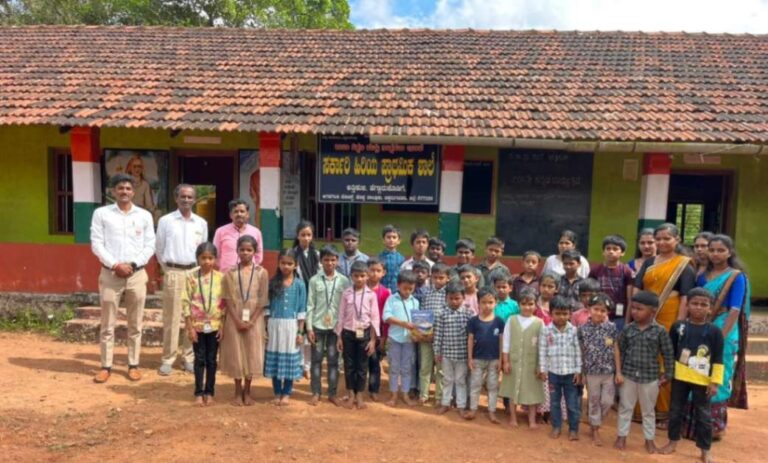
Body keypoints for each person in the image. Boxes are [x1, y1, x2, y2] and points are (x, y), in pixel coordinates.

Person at [90, 174, 155, 384]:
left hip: (136, 274)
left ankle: (133, 364)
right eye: (120, 188)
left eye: (128, 188)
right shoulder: (102, 214)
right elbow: (96, 244)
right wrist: (116, 265)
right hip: (110, 274)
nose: (124, 191)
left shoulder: (144, 216)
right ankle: (105, 366)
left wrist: (133, 265)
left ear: (134, 192)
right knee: (108, 323)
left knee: (135, 323)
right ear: (113, 191)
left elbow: (149, 245)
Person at [633, 223, 696, 424]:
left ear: (677, 240)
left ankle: (662, 411)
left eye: (666, 238)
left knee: (664, 360)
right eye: (658, 239)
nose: (662, 242)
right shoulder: (649, 262)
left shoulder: (684, 265)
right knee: (642, 358)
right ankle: (639, 409)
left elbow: (686, 297)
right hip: (644, 314)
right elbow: (637, 288)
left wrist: (679, 324)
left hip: (669, 317)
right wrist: (635, 312)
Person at [689, 234, 750, 439]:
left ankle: (714, 427)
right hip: (701, 326)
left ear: (729, 252)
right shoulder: (702, 275)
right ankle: (692, 424)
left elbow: (734, 310)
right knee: (697, 370)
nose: (715, 254)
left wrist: (720, 337)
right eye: (712, 250)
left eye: (720, 250)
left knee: (718, 373)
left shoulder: (735, 276)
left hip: (725, 327)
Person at [659, 288, 724, 463]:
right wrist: (667, 373)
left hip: (702, 380)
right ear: (687, 306)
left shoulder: (714, 331)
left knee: (703, 415)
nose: (699, 308)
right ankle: (672, 442)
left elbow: (718, 358)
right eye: (695, 303)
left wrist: (715, 382)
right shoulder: (678, 327)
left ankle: (705, 450)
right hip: (680, 377)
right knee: (675, 411)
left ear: (710, 309)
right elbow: (670, 352)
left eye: (704, 305)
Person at [155, 184, 208, 376]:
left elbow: (203, 251)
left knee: (193, 317)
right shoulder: (166, 221)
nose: (186, 200)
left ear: (195, 199)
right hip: (174, 271)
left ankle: (188, 357)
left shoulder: (201, 223)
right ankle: (168, 359)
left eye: (190, 197)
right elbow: (159, 248)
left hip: (194, 271)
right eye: (183, 197)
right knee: (173, 317)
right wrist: (168, 269)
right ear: (176, 198)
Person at [615, 291, 674, 453]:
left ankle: (649, 440)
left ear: (653, 311)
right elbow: (620, 349)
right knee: (625, 407)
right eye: (632, 308)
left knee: (648, 411)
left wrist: (667, 375)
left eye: (639, 309)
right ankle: (621, 436)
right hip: (628, 375)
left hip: (650, 378)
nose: (634, 312)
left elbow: (668, 353)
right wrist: (618, 372)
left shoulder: (660, 331)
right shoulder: (628, 329)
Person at [220, 235, 269, 406]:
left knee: (251, 353)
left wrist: (252, 321)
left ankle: (248, 392)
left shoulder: (262, 273)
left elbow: (263, 300)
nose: (245, 253)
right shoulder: (230, 274)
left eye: (249, 250)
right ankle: (237, 391)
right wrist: (237, 320)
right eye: (242, 249)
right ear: (237, 251)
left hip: (255, 318)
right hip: (234, 317)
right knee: (236, 353)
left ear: (255, 252)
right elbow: (227, 300)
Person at [306, 245, 350, 407]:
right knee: (316, 360)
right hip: (317, 325)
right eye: (326, 260)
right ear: (321, 261)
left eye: (333, 260)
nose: (330, 263)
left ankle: (332, 393)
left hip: (335, 327)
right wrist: (309, 328)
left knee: (333, 361)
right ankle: (316, 392)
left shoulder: (344, 281)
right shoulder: (314, 280)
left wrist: (342, 329)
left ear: (337, 261)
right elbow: (310, 305)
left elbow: (346, 306)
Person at [182, 242, 225, 406]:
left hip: (214, 325)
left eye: (210, 258)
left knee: (212, 360)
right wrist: (189, 326)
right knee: (199, 359)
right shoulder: (191, 277)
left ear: (215, 259)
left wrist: (222, 325)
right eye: (203, 258)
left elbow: (223, 304)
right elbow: (185, 301)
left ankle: (210, 392)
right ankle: (198, 392)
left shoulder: (220, 278)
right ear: (198, 259)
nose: (207, 261)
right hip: (197, 325)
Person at [264, 249, 306, 407]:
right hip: (274, 325)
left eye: (290, 263)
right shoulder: (273, 282)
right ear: (278, 263)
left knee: (289, 360)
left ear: (296, 265)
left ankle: (287, 392)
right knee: (275, 359)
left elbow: (302, 310)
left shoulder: (300, 284)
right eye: (283, 263)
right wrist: (266, 328)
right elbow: (267, 308)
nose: (286, 266)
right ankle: (276, 392)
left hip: (291, 326)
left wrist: (300, 332)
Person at [577, 293, 621, 446]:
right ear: (589, 309)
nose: (599, 313)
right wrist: (581, 372)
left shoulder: (612, 328)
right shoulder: (583, 329)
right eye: (596, 309)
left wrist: (618, 372)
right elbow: (581, 351)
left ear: (607, 313)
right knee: (594, 400)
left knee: (608, 401)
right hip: (591, 372)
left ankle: (594, 421)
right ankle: (595, 429)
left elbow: (616, 349)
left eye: (603, 311)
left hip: (608, 371)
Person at [336, 260, 380, 410]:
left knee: (362, 366)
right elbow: (341, 315)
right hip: (348, 333)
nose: (359, 279)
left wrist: (373, 340)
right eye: (356, 276)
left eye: (362, 276)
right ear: (351, 276)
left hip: (365, 334)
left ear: (367, 276)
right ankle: (351, 395)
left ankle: (360, 395)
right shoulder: (346, 293)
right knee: (349, 365)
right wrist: (339, 337)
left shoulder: (371, 295)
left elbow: (375, 318)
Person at [539, 296, 582, 441]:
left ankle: (573, 429)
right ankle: (556, 427)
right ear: (551, 313)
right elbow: (542, 351)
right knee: (554, 402)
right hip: (553, 373)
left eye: (565, 314)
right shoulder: (546, 331)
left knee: (572, 404)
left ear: (570, 314)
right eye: (557, 313)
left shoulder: (574, 331)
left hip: (570, 374)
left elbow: (578, 352)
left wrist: (578, 370)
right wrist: (543, 369)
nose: (561, 317)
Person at [500, 288, 545, 428]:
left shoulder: (539, 322)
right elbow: (506, 342)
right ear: (518, 305)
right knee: (512, 390)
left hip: (531, 364)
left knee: (532, 391)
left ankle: (531, 420)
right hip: (514, 362)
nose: (527, 307)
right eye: (524, 304)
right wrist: (506, 361)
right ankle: (513, 417)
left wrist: (540, 365)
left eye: (531, 304)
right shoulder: (511, 320)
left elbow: (542, 346)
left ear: (535, 305)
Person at [467, 288, 505, 423]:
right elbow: (470, 339)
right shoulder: (473, 321)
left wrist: (501, 359)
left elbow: (501, 341)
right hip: (477, 358)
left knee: (493, 386)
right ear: (478, 303)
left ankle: (492, 411)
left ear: (496, 303)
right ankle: (473, 409)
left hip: (494, 359)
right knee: (475, 384)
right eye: (483, 302)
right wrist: (470, 358)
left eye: (490, 302)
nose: (487, 305)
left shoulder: (499, 322)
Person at [434, 281, 473, 416]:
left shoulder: (469, 313)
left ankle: (461, 405)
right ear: (446, 298)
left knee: (460, 381)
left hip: (462, 355)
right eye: (451, 298)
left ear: (463, 297)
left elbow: (471, 336)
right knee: (447, 379)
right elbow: (438, 333)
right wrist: (437, 351)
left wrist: (470, 355)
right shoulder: (441, 313)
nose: (454, 301)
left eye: (457, 298)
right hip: (446, 354)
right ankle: (445, 403)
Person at [383, 270, 420, 407]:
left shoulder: (415, 302)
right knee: (394, 367)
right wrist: (402, 323)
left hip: (409, 341)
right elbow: (386, 317)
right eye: (405, 288)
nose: (407, 291)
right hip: (395, 339)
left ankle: (404, 393)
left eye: (411, 289)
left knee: (406, 368)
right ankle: (393, 394)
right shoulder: (392, 299)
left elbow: (418, 321)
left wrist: (418, 333)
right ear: (398, 286)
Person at [416, 262, 450, 404]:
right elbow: (422, 313)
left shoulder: (449, 294)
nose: (438, 280)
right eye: (435, 277)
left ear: (448, 278)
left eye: (441, 277)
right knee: (425, 366)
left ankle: (439, 396)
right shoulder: (426, 293)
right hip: (427, 336)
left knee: (441, 369)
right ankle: (423, 394)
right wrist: (423, 333)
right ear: (430, 278)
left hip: (442, 337)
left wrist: (438, 332)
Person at [292, 220, 320, 378]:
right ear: (298, 235)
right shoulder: (292, 254)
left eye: (309, 235)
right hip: (297, 296)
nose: (306, 238)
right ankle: (298, 364)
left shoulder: (317, 255)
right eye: (303, 235)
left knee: (310, 333)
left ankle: (307, 366)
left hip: (313, 298)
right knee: (298, 332)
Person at [589, 234, 634, 332]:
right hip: (598, 315)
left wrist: (627, 322)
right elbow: (590, 296)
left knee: (615, 344)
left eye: (615, 249)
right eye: (608, 248)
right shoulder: (595, 270)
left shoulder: (627, 271)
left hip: (619, 318)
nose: (611, 251)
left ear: (622, 253)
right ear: (603, 252)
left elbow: (630, 299)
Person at [213, 199, 264, 271]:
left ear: (247, 214)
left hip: (248, 275)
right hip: (227, 275)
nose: (239, 214)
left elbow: (259, 254)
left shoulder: (256, 232)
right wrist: (225, 267)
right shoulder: (220, 231)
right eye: (236, 211)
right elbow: (215, 254)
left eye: (242, 211)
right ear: (231, 215)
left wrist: (250, 267)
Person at [366, 257, 391, 401]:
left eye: (378, 271)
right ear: (367, 271)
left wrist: (383, 338)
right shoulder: (360, 289)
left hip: (378, 331)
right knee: (360, 362)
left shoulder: (385, 293)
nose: (374, 273)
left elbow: (386, 319)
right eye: (372, 270)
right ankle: (357, 389)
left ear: (383, 273)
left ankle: (374, 389)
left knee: (375, 362)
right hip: (361, 330)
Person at [379, 224, 405, 294]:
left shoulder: (402, 259)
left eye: (394, 237)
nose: (391, 240)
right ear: (383, 240)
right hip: (381, 291)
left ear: (399, 240)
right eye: (388, 237)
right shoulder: (378, 258)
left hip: (396, 292)